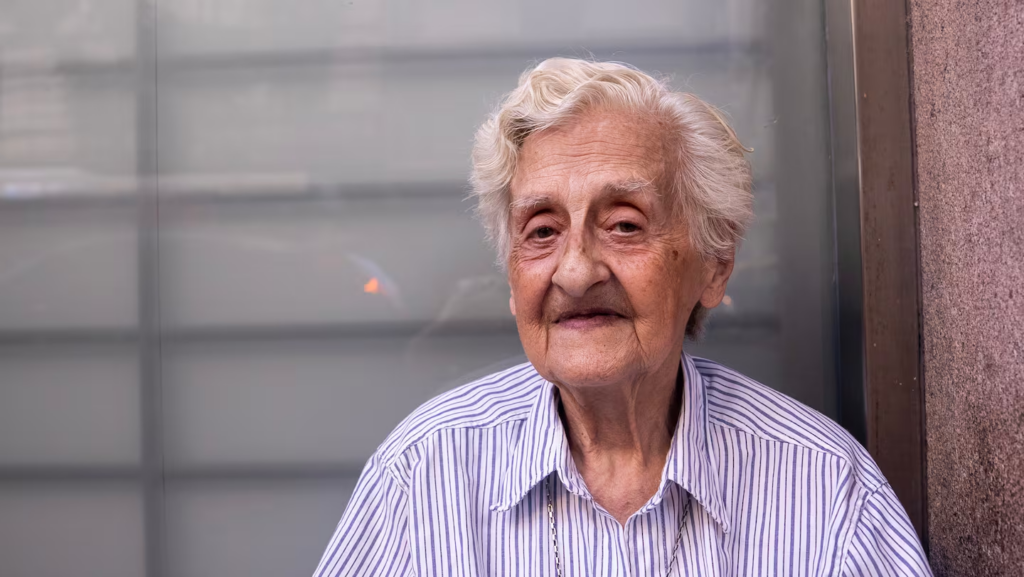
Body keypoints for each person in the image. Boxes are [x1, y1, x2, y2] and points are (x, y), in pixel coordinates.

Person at [312, 58, 932, 576]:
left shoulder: (825, 489)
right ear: (512, 280)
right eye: (542, 231)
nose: (576, 271)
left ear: (714, 267)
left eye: (625, 225)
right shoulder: (426, 473)